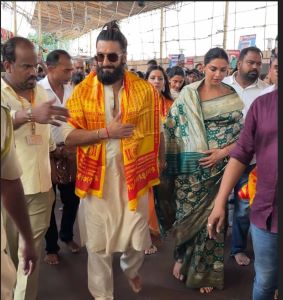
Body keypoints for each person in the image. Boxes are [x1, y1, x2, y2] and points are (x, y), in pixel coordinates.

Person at [61, 20, 163, 299]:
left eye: (111, 56)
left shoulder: (145, 91)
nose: (104, 62)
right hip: (96, 182)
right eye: (100, 56)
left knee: (136, 240)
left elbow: (157, 130)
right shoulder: (82, 93)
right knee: (97, 247)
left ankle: (130, 269)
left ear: (124, 58)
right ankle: (103, 295)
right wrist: (107, 132)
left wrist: (160, 160)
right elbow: (68, 136)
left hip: (134, 179)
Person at [161, 47, 244, 294]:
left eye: (223, 69)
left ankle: (204, 271)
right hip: (189, 171)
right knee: (186, 215)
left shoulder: (231, 94)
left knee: (214, 218)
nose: (218, 74)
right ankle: (182, 259)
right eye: (213, 69)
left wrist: (221, 152)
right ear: (203, 67)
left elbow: (244, 137)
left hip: (220, 170)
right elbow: (171, 127)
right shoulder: (188, 94)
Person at [1, 36, 69, 300]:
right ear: (7, 65)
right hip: (8, 189)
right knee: (10, 255)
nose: (33, 72)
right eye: (26, 66)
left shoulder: (39, 91)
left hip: (41, 188)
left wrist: (56, 154)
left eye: (36, 66)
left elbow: (46, 132)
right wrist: (29, 115)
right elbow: (7, 122)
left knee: (30, 255)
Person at [207, 88, 278, 300]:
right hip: (269, 212)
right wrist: (220, 202)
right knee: (265, 280)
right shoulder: (263, 105)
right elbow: (240, 154)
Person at [222, 46, 269, 266]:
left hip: (249, 163)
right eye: (251, 62)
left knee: (242, 209)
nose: (255, 67)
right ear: (238, 63)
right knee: (218, 204)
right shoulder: (223, 86)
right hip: (220, 160)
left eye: (258, 63)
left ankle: (237, 248)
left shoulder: (266, 92)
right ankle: (213, 247)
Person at [38, 49, 80, 265]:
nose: (71, 72)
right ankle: (51, 247)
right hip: (45, 153)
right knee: (49, 201)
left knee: (72, 199)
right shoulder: (37, 91)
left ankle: (67, 236)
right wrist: (53, 150)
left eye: (71, 69)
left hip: (70, 151)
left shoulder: (71, 90)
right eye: (67, 69)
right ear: (50, 68)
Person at [1, 99, 37, 300]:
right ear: (8, 65)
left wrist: (29, 241)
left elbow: (9, 182)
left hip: (39, 182)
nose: (32, 72)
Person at [144, 65, 174, 255]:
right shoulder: (139, 103)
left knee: (165, 198)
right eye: (153, 78)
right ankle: (146, 237)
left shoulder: (173, 104)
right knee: (147, 199)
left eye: (160, 78)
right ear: (146, 81)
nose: (156, 81)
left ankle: (162, 230)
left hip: (168, 157)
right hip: (144, 157)